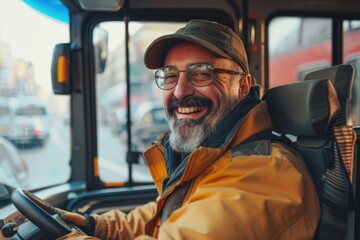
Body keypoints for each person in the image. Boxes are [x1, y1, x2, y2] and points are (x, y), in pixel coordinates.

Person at [57, 19, 320, 240]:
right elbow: (165, 216)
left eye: (202, 73)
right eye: (170, 75)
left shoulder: (265, 174)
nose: (180, 91)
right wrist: (93, 226)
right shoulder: (215, 156)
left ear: (242, 87)